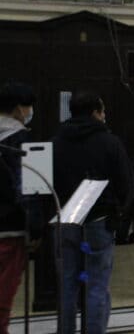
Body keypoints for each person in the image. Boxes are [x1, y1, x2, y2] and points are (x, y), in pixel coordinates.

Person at [52, 90, 134, 334]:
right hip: (98, 220)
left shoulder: (57, 141)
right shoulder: (109, 141)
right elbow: (126, 182)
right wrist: (120, 215)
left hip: (65, 220)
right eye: (103, 111)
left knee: (68, 283)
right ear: (95, 112)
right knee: (96, 284)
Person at [0, 82, 35, 334]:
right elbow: (29, 189)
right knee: (4, 293)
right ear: (18, 109)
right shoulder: (21, 141)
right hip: (10, 227)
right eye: (28, 106)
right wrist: (35, 228)